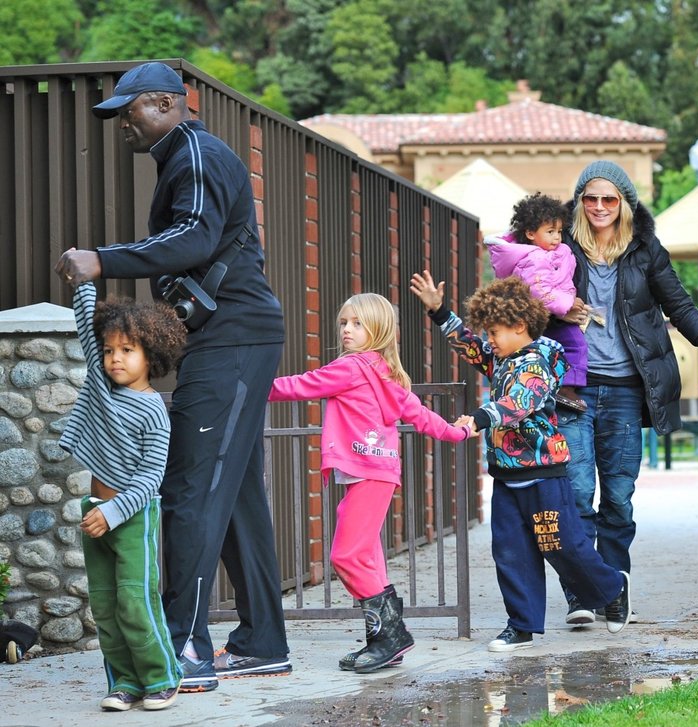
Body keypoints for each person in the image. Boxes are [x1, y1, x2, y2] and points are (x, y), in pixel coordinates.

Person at [55, 62, 291, 692]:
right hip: (230, 340)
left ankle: (180, 646)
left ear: (167, 103)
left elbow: (192, 239)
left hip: (232, 342)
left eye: (129, 111)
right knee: (235, 496)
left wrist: (101, 259)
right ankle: (263, 642)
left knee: (189, 491)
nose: (122, 124)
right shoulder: (185, 156)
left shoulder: (195, 155)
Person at [554, 160, 698, 625]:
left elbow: (678, 304)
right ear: (579, 202)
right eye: (591, 199)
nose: (599, 207)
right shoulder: (558, 250)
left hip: (624, 390)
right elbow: (521, 294)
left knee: (618, 497)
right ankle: (582, 594)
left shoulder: (644, 250)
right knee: (577, 495)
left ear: (624, 204)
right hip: (570, 389)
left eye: (609, 199)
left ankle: (614, 587)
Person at [409, 272, 632, 652]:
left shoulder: (539, 361)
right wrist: (438, 311)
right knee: (511, 550)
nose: (489, 340)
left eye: (494, 332)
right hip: (507, 477)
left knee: (563, 546)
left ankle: (612, 587)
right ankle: (523, 625)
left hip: (544, 476)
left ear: (519, 326)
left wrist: (480, 417)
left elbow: (519, 403)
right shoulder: (502, 356)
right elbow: (470, 346)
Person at [267, 293, 470, 673]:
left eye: (357, 323)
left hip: (369, 472)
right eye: (344, 322)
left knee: (346, 556)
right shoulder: (385, 372)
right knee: (369, 558)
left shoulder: (353, 367)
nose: (346, 329)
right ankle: (384, 640)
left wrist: (253, 385)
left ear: (377, 330)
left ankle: (391, 636)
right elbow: (420, 414)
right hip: (376, 472)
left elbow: (301, 385)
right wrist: (455, 433)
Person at [58, 281, 186, 711]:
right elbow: (83, 324)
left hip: (132, 516)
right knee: (106, 609)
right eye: (110, 349)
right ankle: (125, 682)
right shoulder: (100, 382)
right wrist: (82, 283)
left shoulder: (153, 411)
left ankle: (162, 677)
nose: (115, 358)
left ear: (151, 355)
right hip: (94, 511)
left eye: (127, 350)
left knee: (135, 602)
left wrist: (113, 512)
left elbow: (151, 479)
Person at [484, 192, 588, 412]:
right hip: (545, 314)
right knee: (575, 345)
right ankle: (565, 389)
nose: (557, 237)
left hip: (550, 314)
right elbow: (539, 291)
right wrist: (567, 303)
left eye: (559, 231)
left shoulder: (552, 252)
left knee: (552, 351)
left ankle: (553, 387)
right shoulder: (533, 258)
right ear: (530, 233)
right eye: (550, 232)